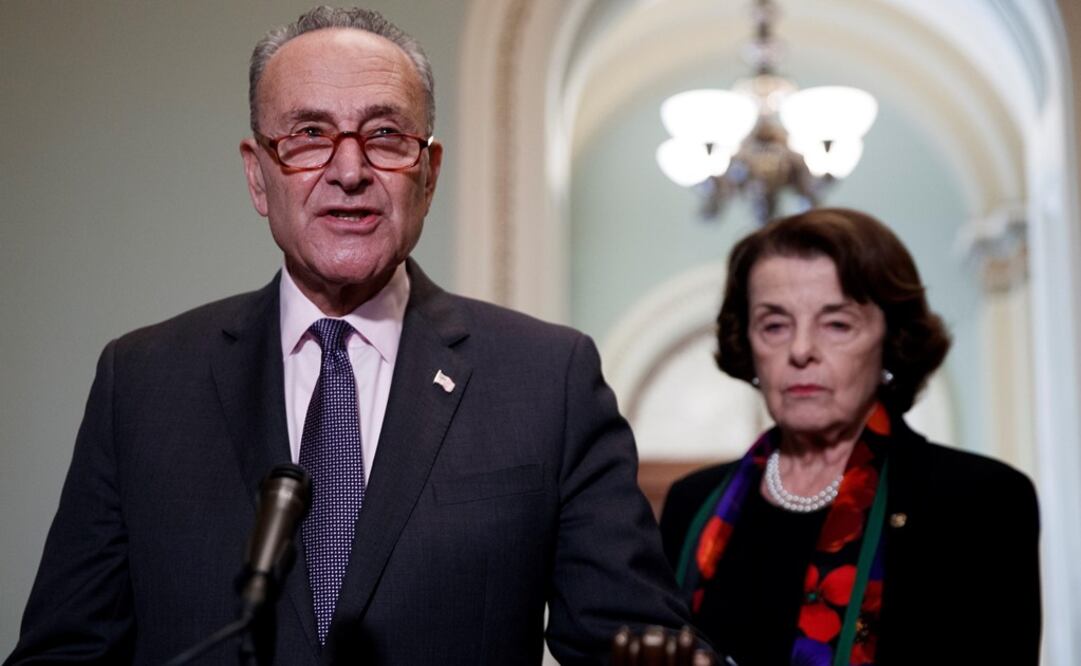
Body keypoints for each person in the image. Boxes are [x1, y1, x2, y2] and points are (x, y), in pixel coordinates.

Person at [6, 7, 690, 665]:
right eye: (308, 134)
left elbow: (634, 644)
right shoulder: (145, 382)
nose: (349, 170)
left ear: (428, 172)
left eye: (386, 136)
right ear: (257, 173)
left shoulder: (547, 380)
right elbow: (68, 650)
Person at [659, 208, 1041, 666]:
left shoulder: (981, 500)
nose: (800, 350)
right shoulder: (691, 504)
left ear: (891, 342)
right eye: (775, 325)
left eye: (837, 323)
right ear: (748, 344)